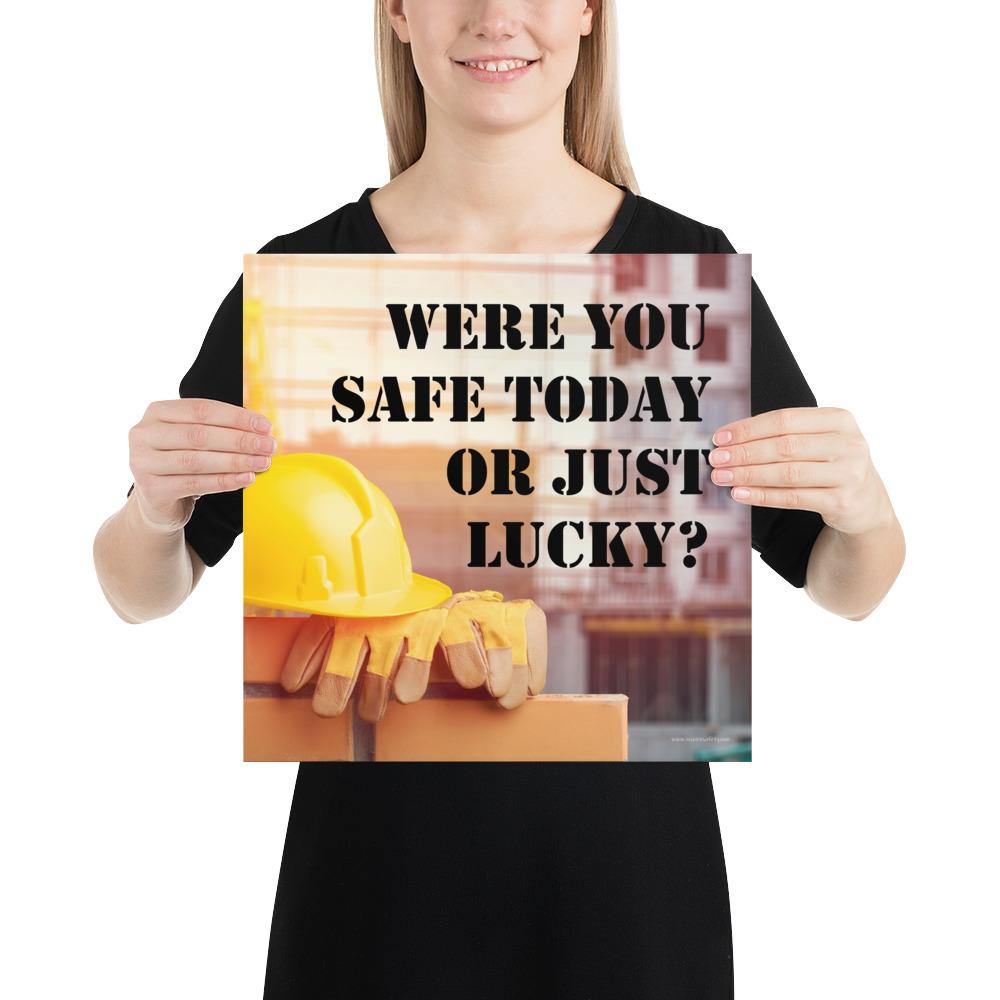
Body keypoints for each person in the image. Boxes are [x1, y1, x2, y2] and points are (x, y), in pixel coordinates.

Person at [92, 1, 905, 996]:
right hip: (372, 908)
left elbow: (844, 582)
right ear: (396, 11)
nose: (494, 16)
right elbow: (140, 589)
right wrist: (154, 509)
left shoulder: (684, 275)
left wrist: (863, 506)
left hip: (633, 908)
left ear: (587, 14)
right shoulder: (306, 278)